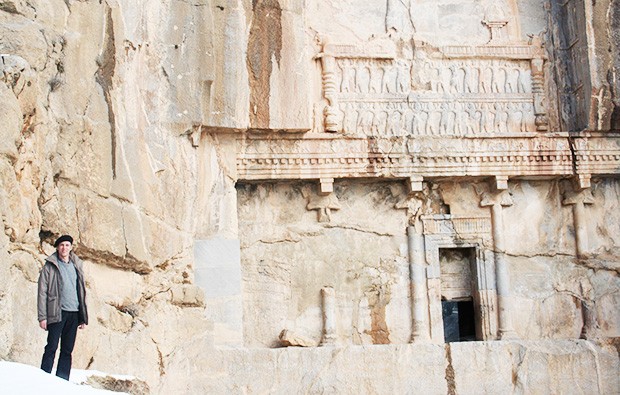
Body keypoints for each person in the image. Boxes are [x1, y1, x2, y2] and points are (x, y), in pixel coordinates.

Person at [37, 234, 88, 380]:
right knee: (51, 347)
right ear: (57, 248)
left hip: (74, 313)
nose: (64, 248)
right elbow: (42, 292)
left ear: (71, 247)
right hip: (56, 312)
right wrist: (42, 317)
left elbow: (81, 291)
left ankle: (62, 381)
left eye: (67, 245)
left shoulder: (76, 265)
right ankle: (43, 378)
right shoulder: (50, 266)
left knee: (67, 350)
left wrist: (83, 317)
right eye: (61, 245)